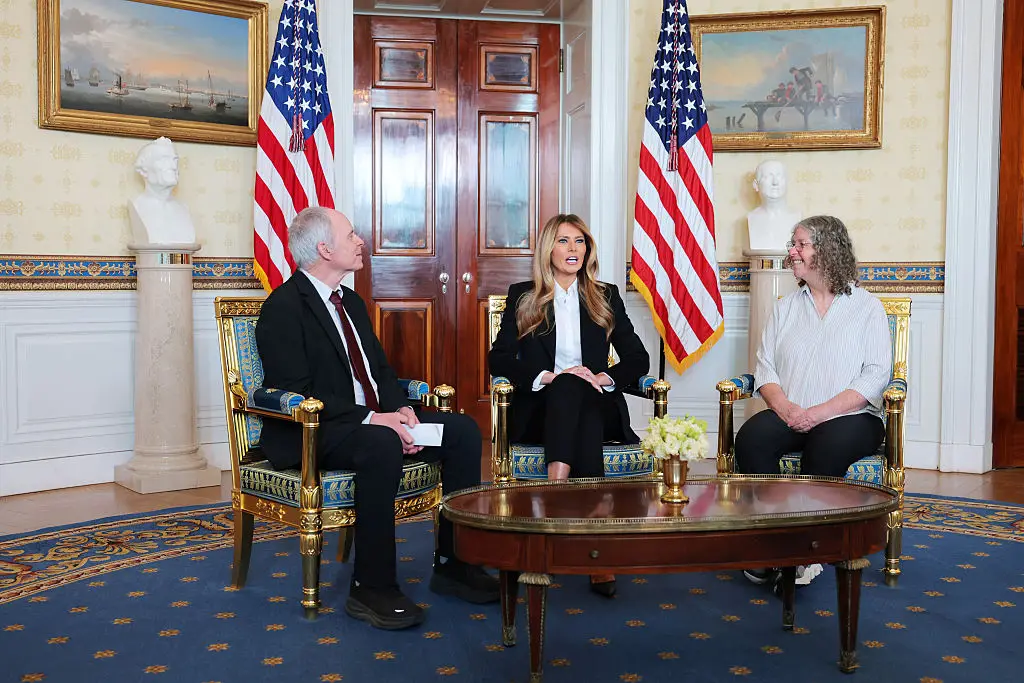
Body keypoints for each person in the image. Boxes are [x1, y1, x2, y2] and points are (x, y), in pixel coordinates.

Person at [255, 207, 498, 630]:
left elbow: (379, 370)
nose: (360, 241)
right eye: (351, 235)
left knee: (461, 431)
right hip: (316, 431)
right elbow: (300, 390)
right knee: (381, 443)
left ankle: (455, 563)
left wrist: (398, 409)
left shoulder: (349, 300)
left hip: (370, 420)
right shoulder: (283, 307)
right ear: (325, 248)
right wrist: (376, 420)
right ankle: (371, 587)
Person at [488, 214, 650, 598]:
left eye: (580, 241)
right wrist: (549, 376)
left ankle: (552, 502)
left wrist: (602, 378)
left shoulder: (604, 295)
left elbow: (637, 359)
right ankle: (597, 553)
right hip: (542, 408)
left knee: (580, 393)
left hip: (597, 400)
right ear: (549, 248)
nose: (573, 248)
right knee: (566, 387)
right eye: (564, 241)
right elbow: (499, 359)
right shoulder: (523, 296)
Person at [736, 215, 892, 589]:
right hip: (791, 411)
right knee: (751, 438)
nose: (792, 251)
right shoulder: (785, 308)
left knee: (825, 446)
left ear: (827, 250)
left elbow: (875, 375)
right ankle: (774, 541)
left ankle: (808, 550)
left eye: (800, 244)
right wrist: (787, 409)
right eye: (794, 244)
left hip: (852, 417)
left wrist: (820, 413)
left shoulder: (867, 308)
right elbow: (765, 371)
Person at [128, 137, 196, 245]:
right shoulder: (137, 206)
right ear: (144, 170)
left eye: (175, 160)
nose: (173, 167)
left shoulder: (183, 208)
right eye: (164, 160)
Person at [747, 160, 801, 252]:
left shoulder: (798, 217)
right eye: (768, 177)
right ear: (756, 185)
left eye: (780, 176)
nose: (775, 182)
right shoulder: (751, 218)